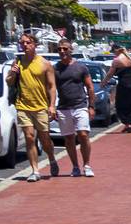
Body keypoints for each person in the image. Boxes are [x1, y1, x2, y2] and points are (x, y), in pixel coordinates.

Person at [6, 33, 59, 182]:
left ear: (34, 44)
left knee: (45, 139)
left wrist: (52, 105)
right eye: (22, 43)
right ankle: (35, 170)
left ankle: (52, 158)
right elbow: (9, 82)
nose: (25, 45)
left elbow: (51, 86)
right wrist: (13, 73)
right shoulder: (17, 63)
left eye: (28, 42)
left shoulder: (45, 64)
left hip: (41, 106)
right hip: (23, 106)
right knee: (29, 138)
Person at [53, 38, 96, 178]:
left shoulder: (81, 67)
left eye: (65, 49)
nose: (62, 51)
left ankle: (87, 165)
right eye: (59, 49)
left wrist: (91, 106)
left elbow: (90, 87)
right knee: (69, 138)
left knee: (83, 135)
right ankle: (75, 166)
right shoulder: (55, 69)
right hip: (63, 108)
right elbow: (50, 88)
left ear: (71, 50)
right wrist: (52, 106)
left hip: (80, 106)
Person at [108, 45, 131, 132]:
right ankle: (129, 124)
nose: (113, 54)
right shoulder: (130, 58)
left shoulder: (117, 60)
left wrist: (103, 83)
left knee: (121, 105)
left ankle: (128, 124)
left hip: (125, 85)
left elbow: (110, 74)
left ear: (116, 51)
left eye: (113, 52)